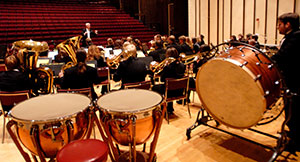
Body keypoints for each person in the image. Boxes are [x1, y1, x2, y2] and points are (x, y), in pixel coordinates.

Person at [271, 12, 300, 152]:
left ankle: (296, 143)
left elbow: (283, 56)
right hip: (290, 80)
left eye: (279, 24)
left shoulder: (296, 37)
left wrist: (269, 59)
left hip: (295, 81)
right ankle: (293, 134)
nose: (278, 27)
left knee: (294, 111)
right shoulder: (291, 37)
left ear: (288, 24)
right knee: (290, 110)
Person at [152, 47, 186, 114]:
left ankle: (162, 108)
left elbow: (162, 79)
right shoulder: (182, 65)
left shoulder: (167, 67)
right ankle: (170, 108)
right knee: (171, 85)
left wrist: (163, 70)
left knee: (154, 87)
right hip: (180, 91)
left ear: (167, 55)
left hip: (169, 92)